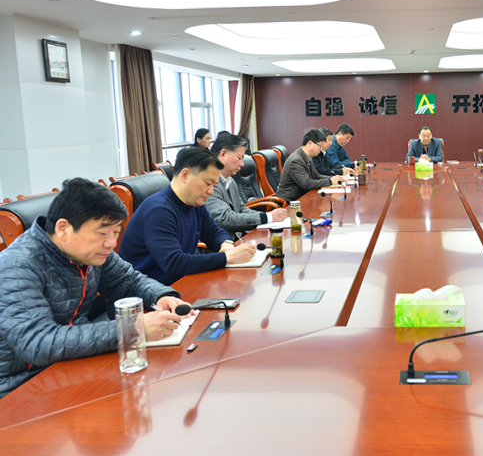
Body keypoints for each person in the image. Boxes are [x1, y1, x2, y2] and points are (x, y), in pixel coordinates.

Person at [0, 178, 192, 398]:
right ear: (63, 228)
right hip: (20, 388)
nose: (111, 243)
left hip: (73, 365)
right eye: (102, 233)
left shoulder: (91, 253)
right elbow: (39, 343)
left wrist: (162, 296)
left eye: (116, 232)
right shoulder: (16, 266)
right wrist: (133, 329)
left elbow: (128, 281)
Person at [119, 147, 256, 286]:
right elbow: (174, 264)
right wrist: (227, 257)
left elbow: (214, 232)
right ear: (185, 175)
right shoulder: (159, 210)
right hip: (148, 292)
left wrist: (225, 244)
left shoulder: (194, 203)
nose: (211, 191)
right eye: (208, 184)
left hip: (178, 284)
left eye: (214, 185)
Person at [205, 132, 289, 240]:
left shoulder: (230, 181)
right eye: (239, 158)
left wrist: (270, 217)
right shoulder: (209, 183)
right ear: (223, 154)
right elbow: (225, 219)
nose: (242, 164)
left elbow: (241, 209)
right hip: (222, 244)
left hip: (236, 240)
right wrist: (268, 217)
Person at [276, 128, 346, 203]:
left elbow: (316, 176)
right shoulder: (296, 161)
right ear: (310, 144)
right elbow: (306, 184)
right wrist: (330, 181)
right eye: (320, 146)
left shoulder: (307, 157)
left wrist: (334, 179)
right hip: (289, 203)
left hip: (302, 199)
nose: (321, 149)